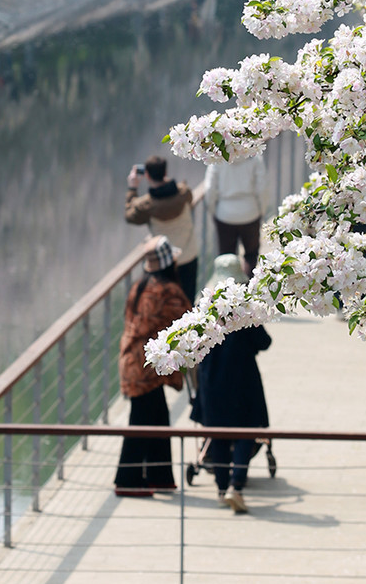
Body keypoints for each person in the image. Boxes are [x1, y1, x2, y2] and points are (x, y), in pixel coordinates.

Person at [191, 253, 271, 513]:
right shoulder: (245, 308)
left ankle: (221, 489)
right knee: (246, 432)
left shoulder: (203, 308)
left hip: (212, 381)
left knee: (219, 436)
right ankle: (237, 487)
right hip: (243, 379)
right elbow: (264, 343)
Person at [114, 237, 191, 497]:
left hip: (132, 360)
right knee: (142, 421)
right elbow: (189, 319)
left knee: (157, 417)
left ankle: (160, 476)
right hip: (147, 365)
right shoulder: (168, 290)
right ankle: (128, 480)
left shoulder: (141, 286)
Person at [125, 155, 199, 301]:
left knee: (168, 304)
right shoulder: (184, 192)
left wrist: (132, 188)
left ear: (146, 175)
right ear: (165, 172)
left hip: (165, 262)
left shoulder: (146, 206)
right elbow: (189, 200)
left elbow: (129, 216)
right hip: (189, 255)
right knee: (188, 301)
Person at [205, 151, 269, 276]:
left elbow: (210, 189)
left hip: (225, 215)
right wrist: (261, 210)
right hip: (250, 212)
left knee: (227, 257)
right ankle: (248, 286)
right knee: (251, 254)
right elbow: (262, 188)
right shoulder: (254, 157)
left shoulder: (217, 159)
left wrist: (214, 210)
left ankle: (230, 288)